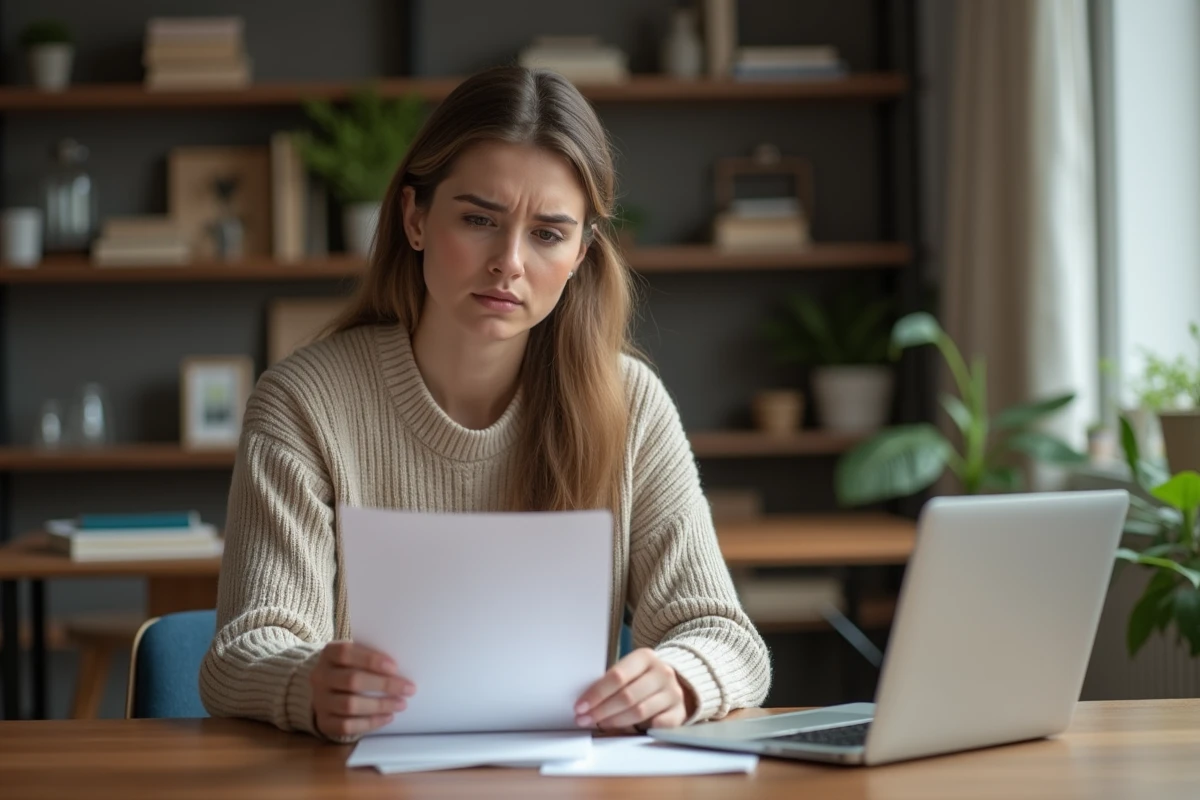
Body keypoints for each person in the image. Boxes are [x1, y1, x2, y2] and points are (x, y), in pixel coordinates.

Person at [199, 65, 770, 741]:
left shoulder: (631, 404)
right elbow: (244, 648)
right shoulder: (302, 404)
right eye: (478, 219)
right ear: (414, 218)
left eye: (549, 234)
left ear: (583, 253)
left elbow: (725, 636)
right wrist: (303, 682)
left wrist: (679, 676)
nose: (509, 262)